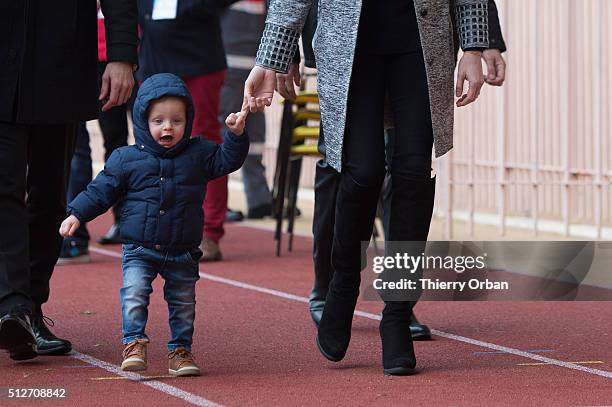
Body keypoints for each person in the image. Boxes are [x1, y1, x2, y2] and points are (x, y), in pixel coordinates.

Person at [246, 0, 488, 375]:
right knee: (362, 172)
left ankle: (397, 313)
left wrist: (474, 46)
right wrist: (272, 56)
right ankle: (342, 285)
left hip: (422, 39)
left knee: (413, 172)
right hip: (350, 43)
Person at [59, 73, 249, 376]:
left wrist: (236, 136)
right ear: (143, 121)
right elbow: (100, 190)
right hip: (139, 247)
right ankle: (134, 343)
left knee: (183, 304)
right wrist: (76, 214)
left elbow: (227, 161)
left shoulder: (199, 154)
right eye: (158, 120)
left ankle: (180, 351)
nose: (168, 127)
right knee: (134, 294)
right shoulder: (126, 159)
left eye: (176, 120)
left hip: (183, 250)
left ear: (188, 121)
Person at [0, 0, 137, 361]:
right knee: (3, 189)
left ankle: (28, 309)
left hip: (60, 67)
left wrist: (121, 55)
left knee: (49, 196)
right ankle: (12, 307)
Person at [137, 0, 239, 261]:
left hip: (198, 58)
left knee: (203, 142)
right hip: (153, 59)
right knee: (153, 145)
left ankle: (209, 231)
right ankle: (159, 228)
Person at [58, 5, 137, 264]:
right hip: (79, 56)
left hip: (108, 57)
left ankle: (120, 224)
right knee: (79, 146)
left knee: (111, 145)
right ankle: (77, 233)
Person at [220, 0, 274, 222]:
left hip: (256, 68)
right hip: (233, 67)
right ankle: (217, 203)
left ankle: (259, 198)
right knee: (226, 129)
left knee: (253, 133)